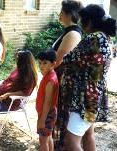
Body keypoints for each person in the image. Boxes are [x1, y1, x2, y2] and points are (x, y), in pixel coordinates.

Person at [61, 4, 116, 150]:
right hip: (94, 95)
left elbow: (68, 58)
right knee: (87, 135)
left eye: (82, 20)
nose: (80, 24)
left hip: (84, 98)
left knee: (71, 141)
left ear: (89, 21)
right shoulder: (106, 38)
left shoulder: (93, 38)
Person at [0, 50, 37, 137]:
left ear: (23, 61)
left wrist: (8, 94)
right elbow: (7, 81)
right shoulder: (17, 70)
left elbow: (25, 93)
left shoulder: (29, 76)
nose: (16, 59)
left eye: (18, 58)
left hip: (9, 102)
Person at [52, 0, 83, 148]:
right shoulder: (68, 31)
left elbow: (58, 60)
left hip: (63, 80)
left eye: (62, 12)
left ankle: (62, 145)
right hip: (58, 78)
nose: (60, 14)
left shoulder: (73, 34)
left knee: (62, 113)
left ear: (69, 14)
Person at [36, 50, 59, 151]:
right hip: (47, 113)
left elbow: (48, 102)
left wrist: (42, 119)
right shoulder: (48, 75)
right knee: (48, 137)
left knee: (43, 141)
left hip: (47, 114)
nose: (41, 66)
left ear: (53, 64)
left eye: (45, 63)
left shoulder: (50, 80)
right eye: (40, 63)